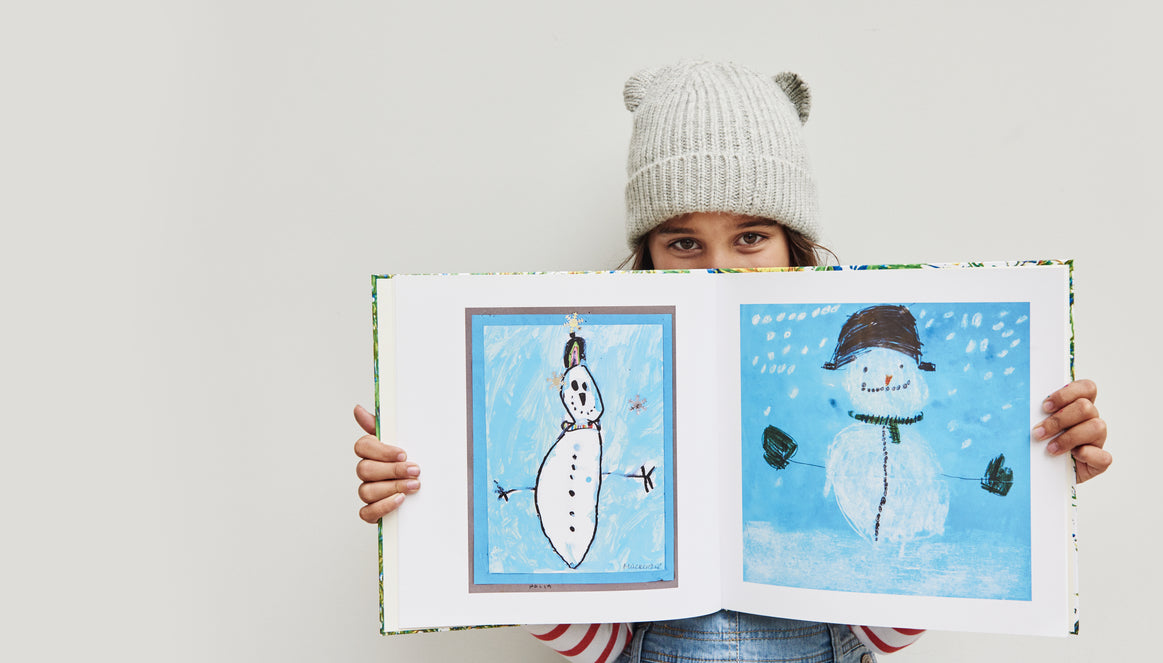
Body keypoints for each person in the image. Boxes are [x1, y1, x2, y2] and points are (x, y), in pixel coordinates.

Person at [353, 61, 1112, 663]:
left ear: (794, 248)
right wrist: (444, 503)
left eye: (750, 238)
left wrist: (1041, 475)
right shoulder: (637, 390)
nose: (716, 267)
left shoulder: (845, 390)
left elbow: (877, 635)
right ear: (648, 257)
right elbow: (607, 642)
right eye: (683, 243)